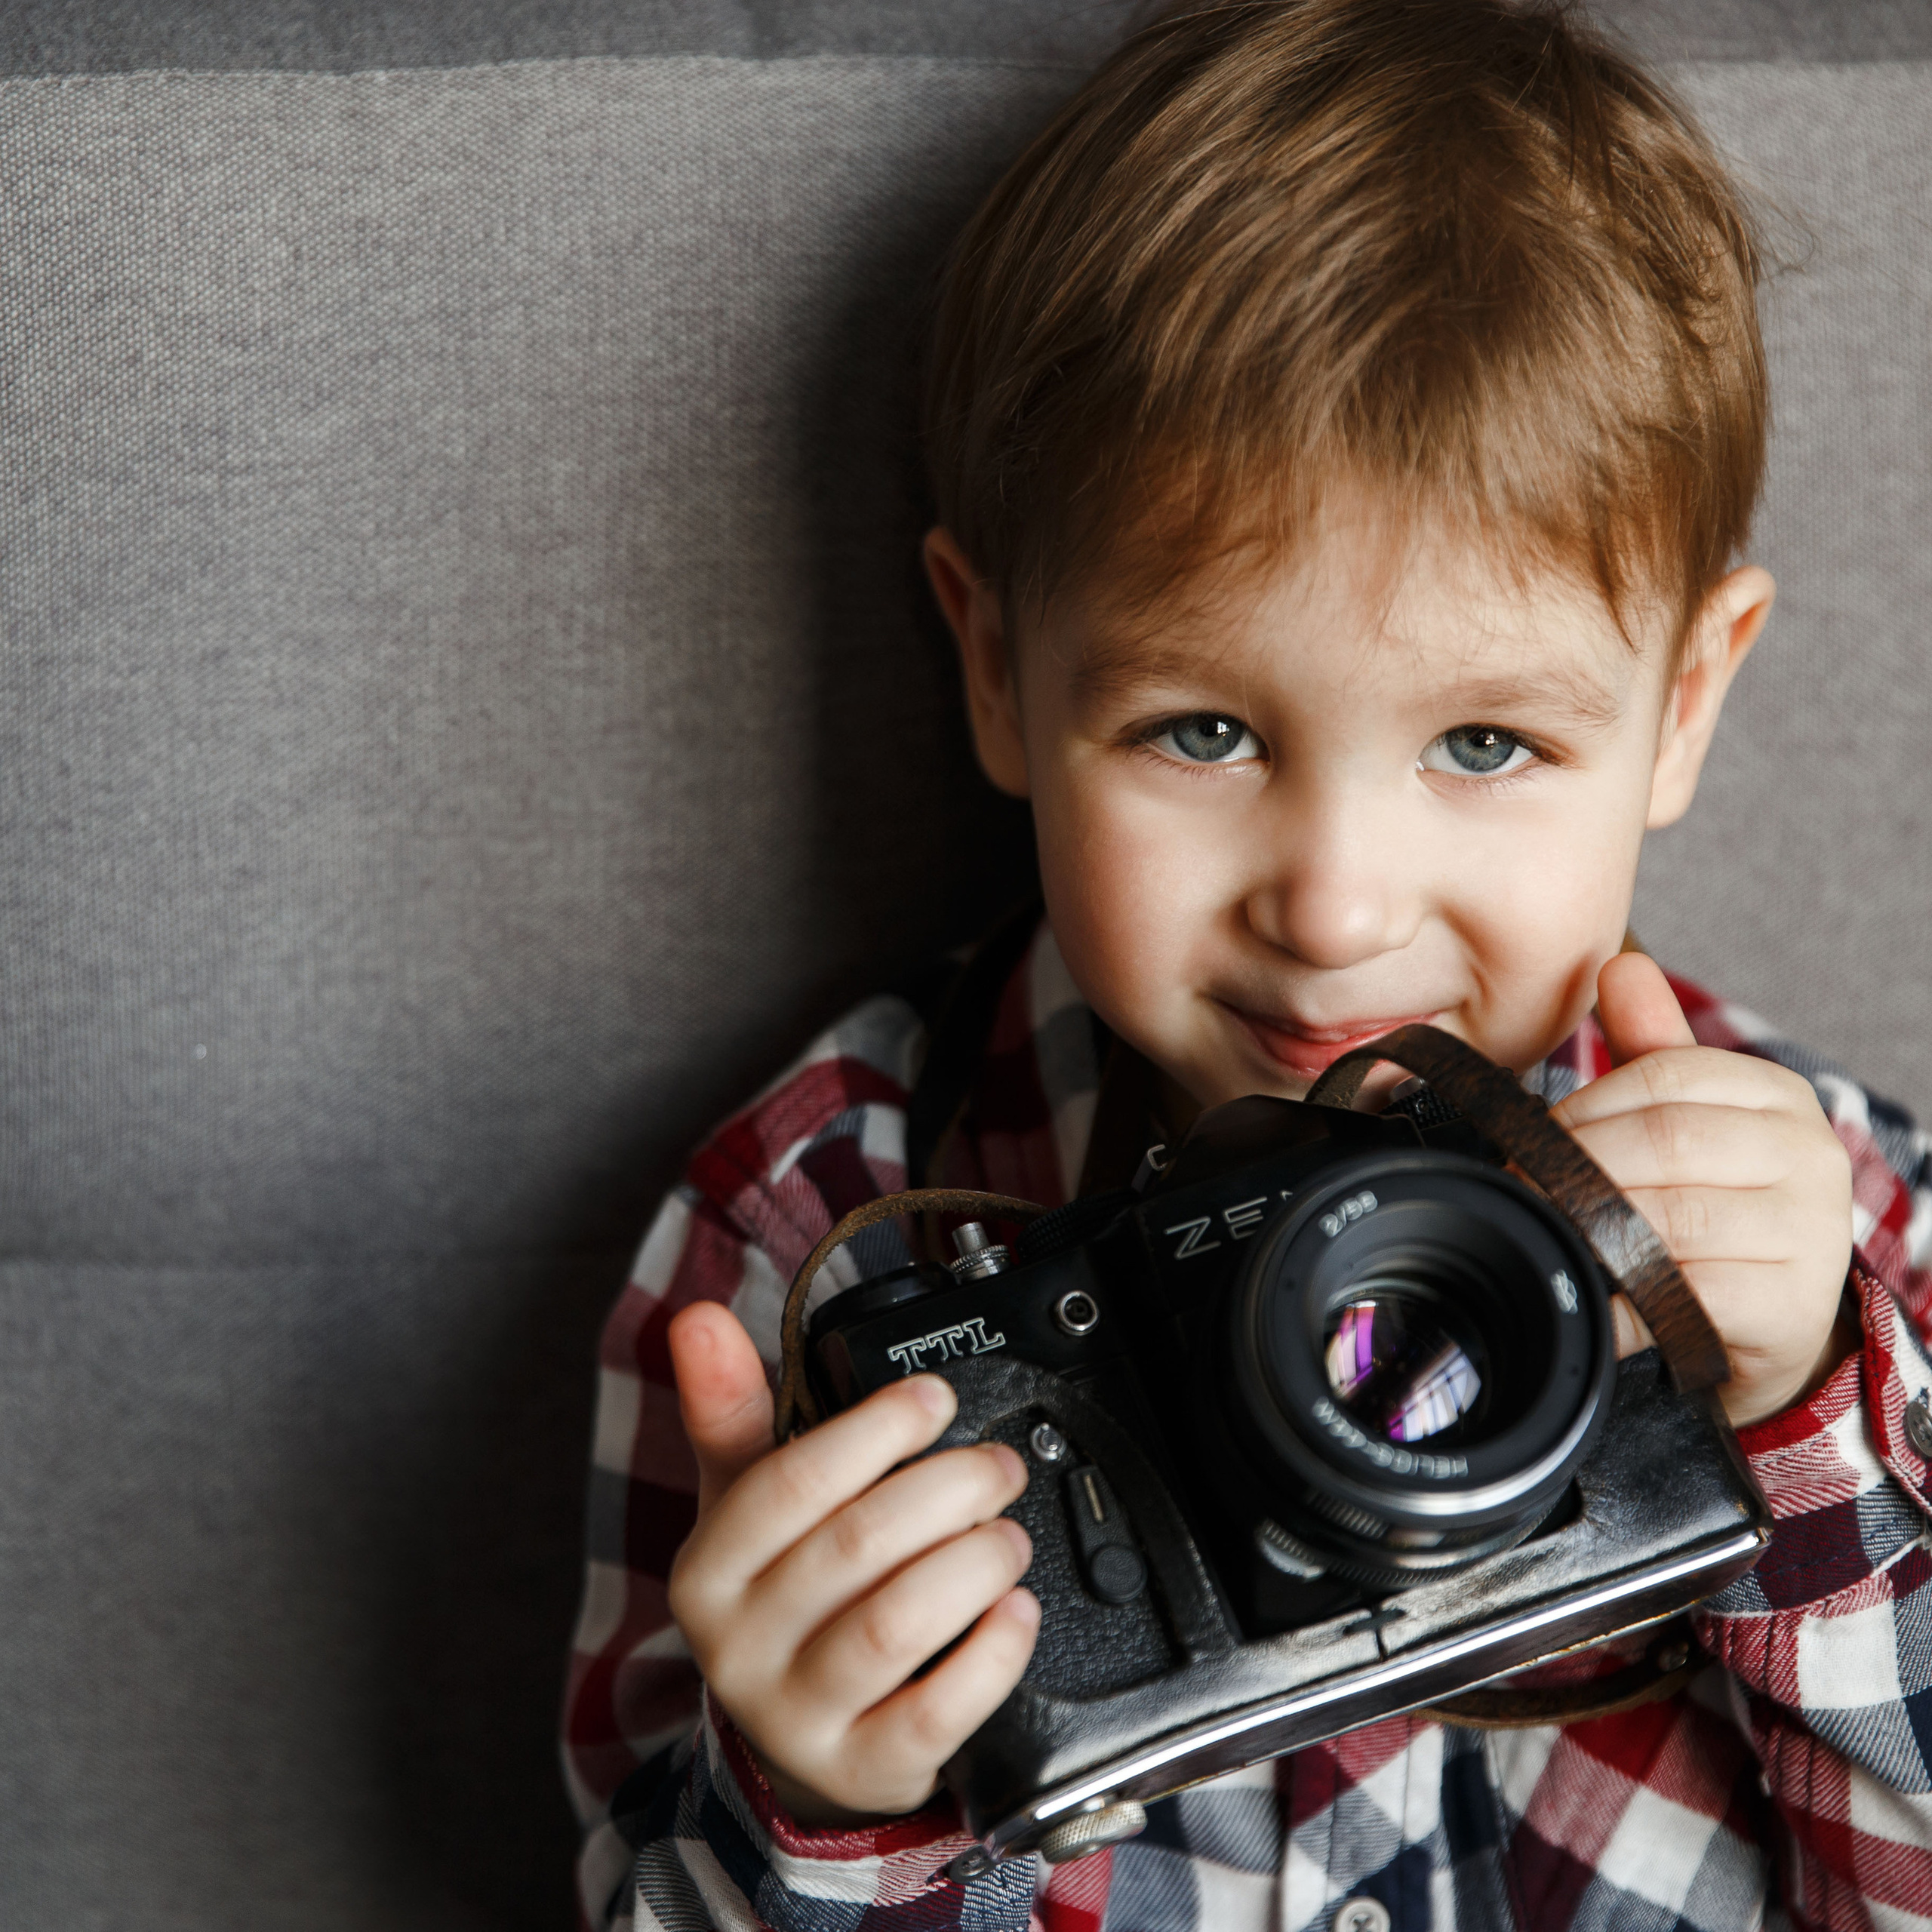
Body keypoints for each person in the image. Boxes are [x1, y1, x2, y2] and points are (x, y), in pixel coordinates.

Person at [561, 2, 1932, 1926]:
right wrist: (833, 1800)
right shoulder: (809, 1247)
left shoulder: (1842, 1230)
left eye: (1483, 743)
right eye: (1201, 731)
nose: (1335, 908)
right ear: (993, 666)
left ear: (1682, 703)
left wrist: (1806, 1435)